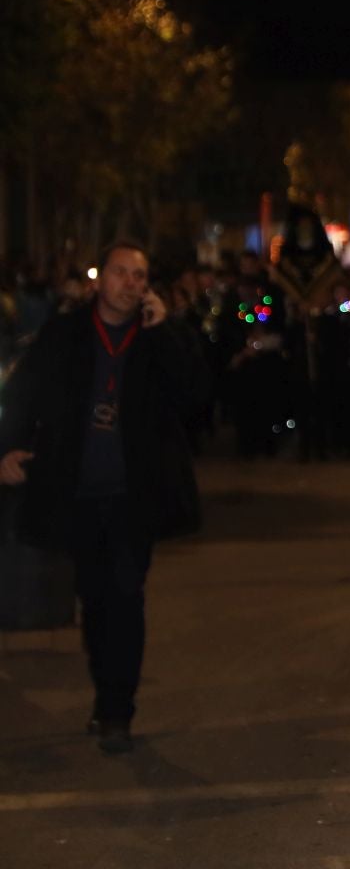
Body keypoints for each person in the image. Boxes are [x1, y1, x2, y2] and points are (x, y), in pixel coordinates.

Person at [0, 242, 209, 753]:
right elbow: (25, 390)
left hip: (132, 495)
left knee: (126, 594)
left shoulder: (157, 338)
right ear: (101, 280)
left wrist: (167, 333)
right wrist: (8, 448)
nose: (130, 284)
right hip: (77, 489)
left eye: (139, 276)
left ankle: (119, 709)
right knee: (94, 600)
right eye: (121, 273)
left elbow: (196, 397)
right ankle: (105, 694)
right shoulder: (67, 332)